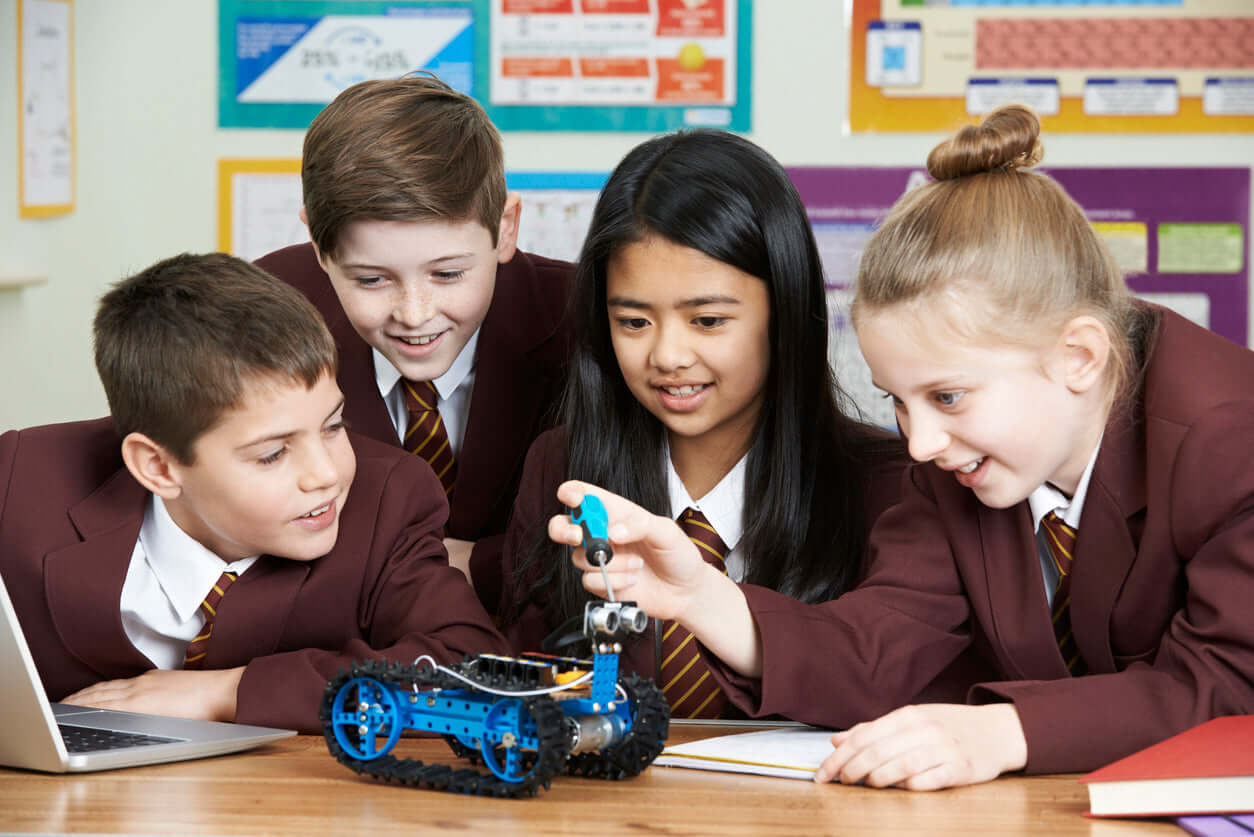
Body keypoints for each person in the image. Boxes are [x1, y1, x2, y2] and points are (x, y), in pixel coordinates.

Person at [548, 105, 1254, 786]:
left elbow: (1227, 687)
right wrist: (705, 596)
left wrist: (1003, 731)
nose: (917, 444)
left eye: (947, 396)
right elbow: (877, 645)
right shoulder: (955, 456)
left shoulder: (1230, 435)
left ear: (1078, 356)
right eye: (896, 399)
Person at [500, 129, 919, 720]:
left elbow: (894, 683)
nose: (668, 356)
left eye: (707, 320)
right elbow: (531, 686)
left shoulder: (891, 486)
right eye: (634, 323)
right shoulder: (562, 468)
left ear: (786, 310)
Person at [0, 253, 509, 733]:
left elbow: (472, 666)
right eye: (272, 455)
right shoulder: (17, 484)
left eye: (333, 426)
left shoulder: (388, 499)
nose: (325, 474)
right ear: (157, 466)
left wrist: (227, 691)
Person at [255, 75, 572, 610]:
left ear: (506, 227)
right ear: (318, 244)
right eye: (372, 280)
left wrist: (482, 564)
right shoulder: (267, 313)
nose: (415, 314)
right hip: (330, 636)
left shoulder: (585, 318)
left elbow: (639, 508)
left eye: (448, 274)